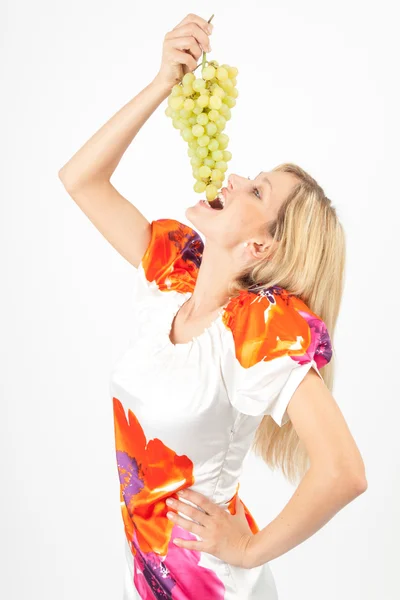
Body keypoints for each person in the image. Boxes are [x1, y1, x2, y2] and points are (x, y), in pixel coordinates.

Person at [58, 12, 368, 600]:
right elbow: (80, 179)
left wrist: (247, 547)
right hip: (152, 578)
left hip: (212, 586)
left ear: (260, 246)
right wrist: (160, 84)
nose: (231, 180)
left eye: (256, 192)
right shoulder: (174, 275)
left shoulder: (260, 330)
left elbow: (345, 472)